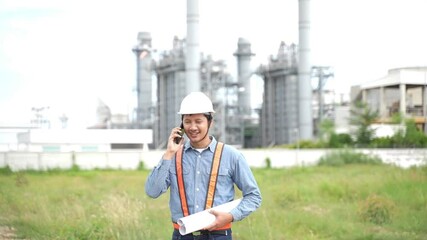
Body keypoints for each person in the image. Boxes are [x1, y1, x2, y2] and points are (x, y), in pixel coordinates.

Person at [145, 91, 262, 240]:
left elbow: (254, 196)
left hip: (219, 235)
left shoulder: (231, 155)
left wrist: (231, 216)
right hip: (182, 235)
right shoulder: (173, 157)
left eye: (198, 121)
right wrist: (168, 153)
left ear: (210, 122)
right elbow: (152, 191)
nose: (192, 127)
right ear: (181, 125)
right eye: (187, 121)